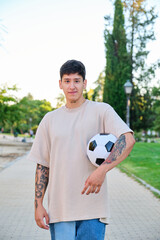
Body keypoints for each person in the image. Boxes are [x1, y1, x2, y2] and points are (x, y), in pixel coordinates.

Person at [27, 60, 135, 240]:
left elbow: (128, 139)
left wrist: (102, 170)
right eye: (67, 81)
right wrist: (38, 205)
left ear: (85, 83)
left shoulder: (101, 110)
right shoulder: (49, 119)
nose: (72, 86)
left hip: (92, 211)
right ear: (60, 84)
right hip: (60, 211)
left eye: (77, 80)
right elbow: (42, 165)